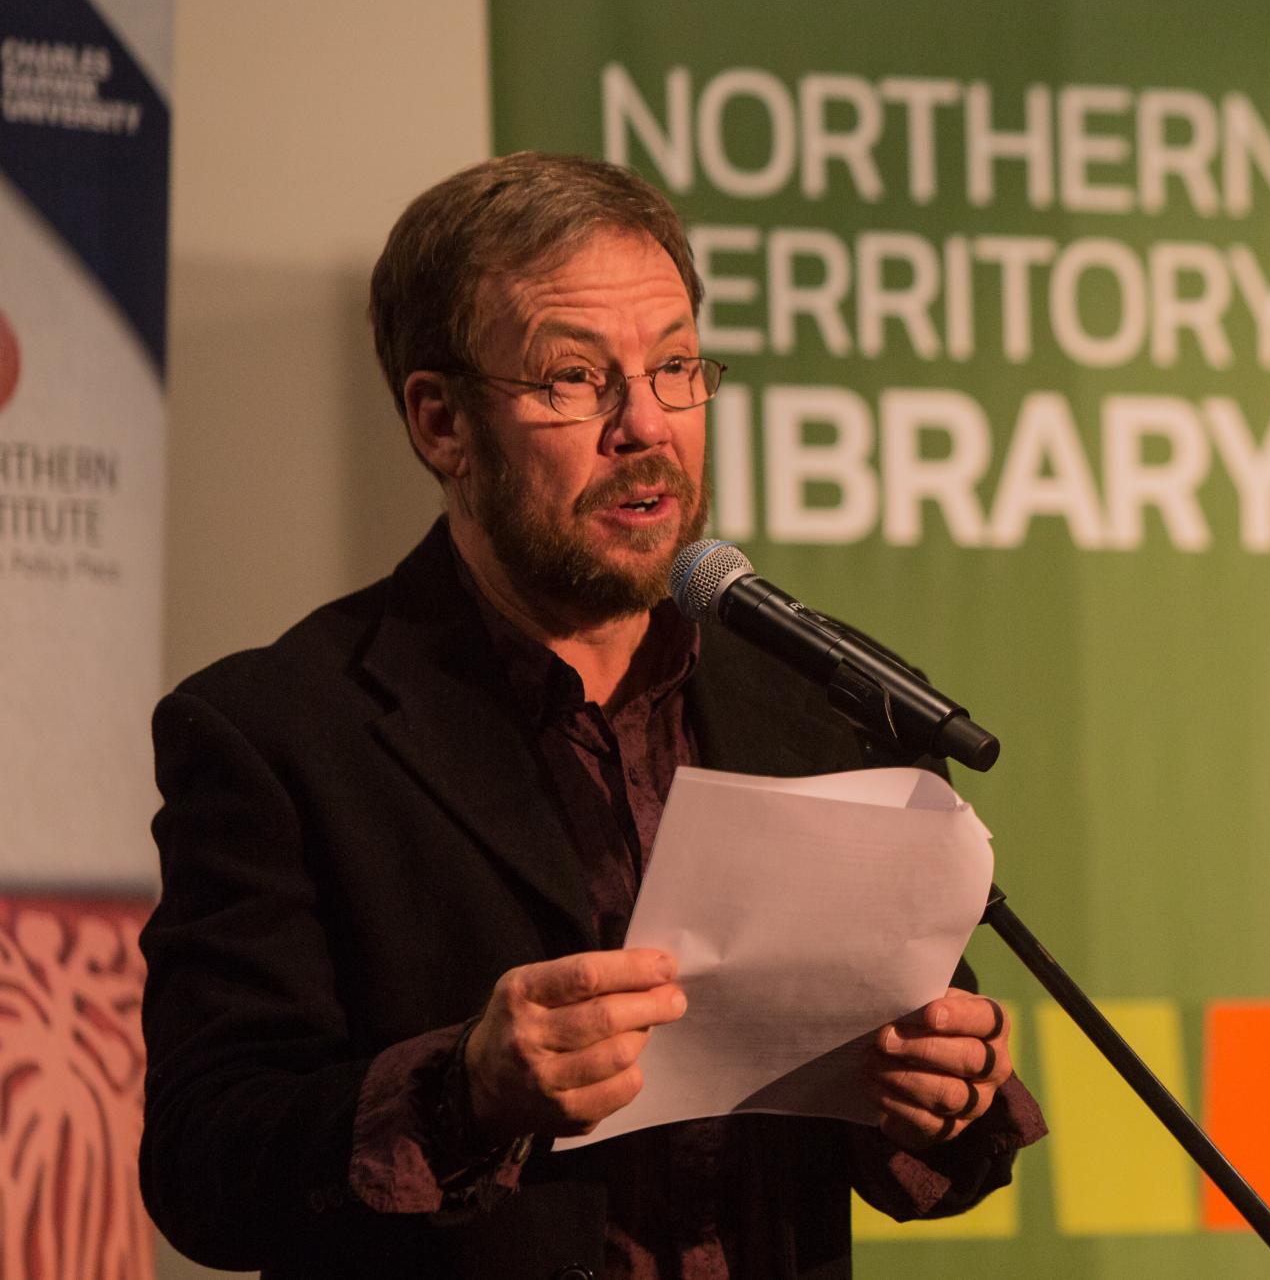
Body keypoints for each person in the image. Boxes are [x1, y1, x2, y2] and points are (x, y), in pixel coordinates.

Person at [139, 151, 1044, 1280]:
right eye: (575, 378)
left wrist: (943, 1088)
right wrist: (465, 1089)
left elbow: (912, 1107)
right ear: (440, 421)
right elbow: (202, 1163)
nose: (646, 426)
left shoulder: (814, 707)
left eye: (674, 366)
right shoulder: (277, 730)